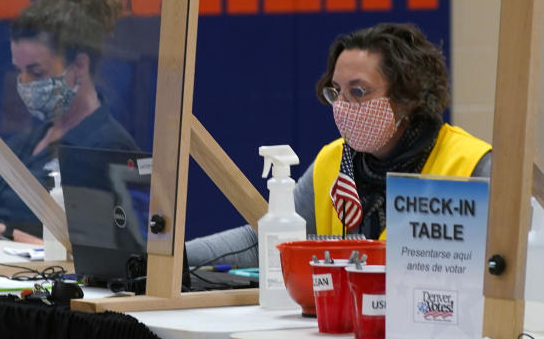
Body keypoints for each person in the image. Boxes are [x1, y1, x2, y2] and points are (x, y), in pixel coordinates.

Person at [186, 22, 492, 268]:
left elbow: (497, 268)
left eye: (358, 92)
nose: (342, 106)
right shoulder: (332, 161)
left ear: (408, 98)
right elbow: (264, 244)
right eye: (336, 92)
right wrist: (170, 260)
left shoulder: (471, 163)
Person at [0, 0, 139, 243]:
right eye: (19, 71)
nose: (25, 83)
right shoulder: (25, 143)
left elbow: (102, 261)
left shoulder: (110, 148)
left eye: (36, 72)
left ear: (79, 67)